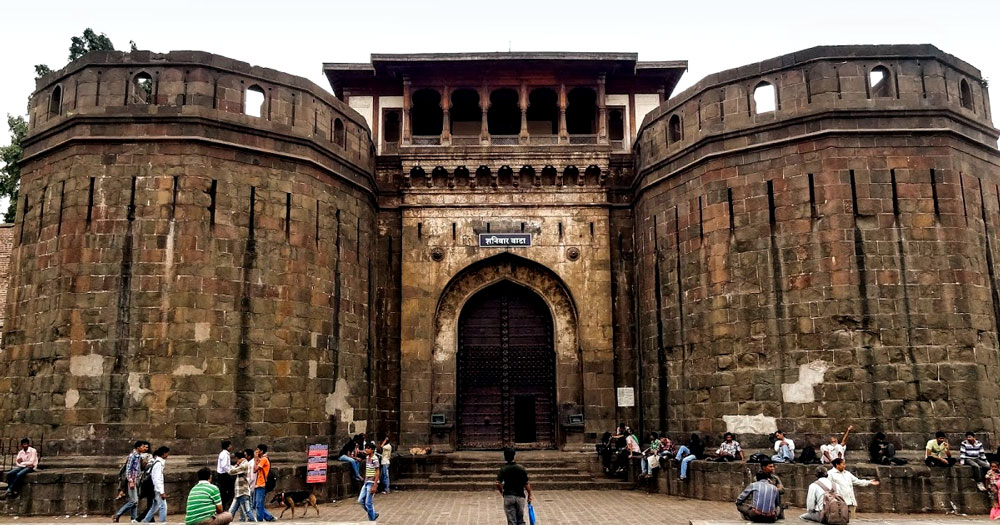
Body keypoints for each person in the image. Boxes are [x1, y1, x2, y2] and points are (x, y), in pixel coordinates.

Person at [114, 440, 148, 523]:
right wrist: (131, 481)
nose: (144, 448)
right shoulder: (132, 456)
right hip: (132, 481)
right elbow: (128, 470)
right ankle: (118, 514)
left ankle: (134, 519)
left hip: (136, 480)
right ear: (138, 447)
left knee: (135, 502)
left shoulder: (139, 456)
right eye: (143, 446)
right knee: (134, 501)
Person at [496, 447, 532, 525]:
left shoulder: (503, 469)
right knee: (520, 520)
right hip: (520, 497)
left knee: (511, 521)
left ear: (505, 457)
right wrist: (530, 494)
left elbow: (498, 483)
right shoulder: (521, 468)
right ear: (514, 456)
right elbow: (526, 483)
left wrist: (502, 492)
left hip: (508, 496)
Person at [142, 446, 169, 522]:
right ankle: (163, 522)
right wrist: (161, 492)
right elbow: (157, 479)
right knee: (163, 507)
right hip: (157, 489)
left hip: (155, 488)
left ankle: (145, 521)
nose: (167, 455)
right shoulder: (158, 464)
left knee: (155, 506)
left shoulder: (157, 462)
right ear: (163, 454)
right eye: (167, 453)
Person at [227, 450, 256, 522]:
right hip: (239, 492)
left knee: (247, 511)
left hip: (243, 491)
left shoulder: (244, 465)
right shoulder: (242, 464)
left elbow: (231, 471)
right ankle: (227, 522)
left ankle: (254, 522)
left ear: (238, 458)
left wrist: (229, 467)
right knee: (231, 510)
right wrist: (236, 465)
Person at [357, 441, 380, 522]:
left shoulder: (375, 458)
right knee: (360, 500)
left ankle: (372, 519)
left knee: (368, 502)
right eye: (366, 448)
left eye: (368, 448)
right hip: (366, 481)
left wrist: (375, 484)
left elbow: (377, 471)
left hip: (372, 482)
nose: (366, 449)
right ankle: (373, 514)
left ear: (372, 450)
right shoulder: (367, 458)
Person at [253, 444, 276, 522]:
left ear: (261, 451)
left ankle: (260, 520)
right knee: (257, 504)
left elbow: (255, 469)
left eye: (258, 450)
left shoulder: (264, 459)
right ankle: (269, 517)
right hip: (259, 483)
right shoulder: (262, 459)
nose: (256, 451)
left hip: (261, 484)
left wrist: (256, 459)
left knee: (259, 504)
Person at [216, 440, 235, 510]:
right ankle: (223, 505)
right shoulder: (225, 454)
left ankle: (223, 505)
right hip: (224, 475)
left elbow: (226, 465)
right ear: (227, 447)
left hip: (223, 475)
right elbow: (224, 466)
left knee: (224, 491)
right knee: (230, 491)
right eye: (230, 445)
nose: (231, 447)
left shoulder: (224, 453)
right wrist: (231, 471)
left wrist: (232, 467)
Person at [243, 449, 256, 518]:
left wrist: (248, 484)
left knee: (252, 504)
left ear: (249, 456)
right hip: (251, 485)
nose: (244, 457)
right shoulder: (251, 463)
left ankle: (251, 518)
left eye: (245, 455)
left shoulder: (251, 464)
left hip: (252, 485)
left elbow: (252, 477)